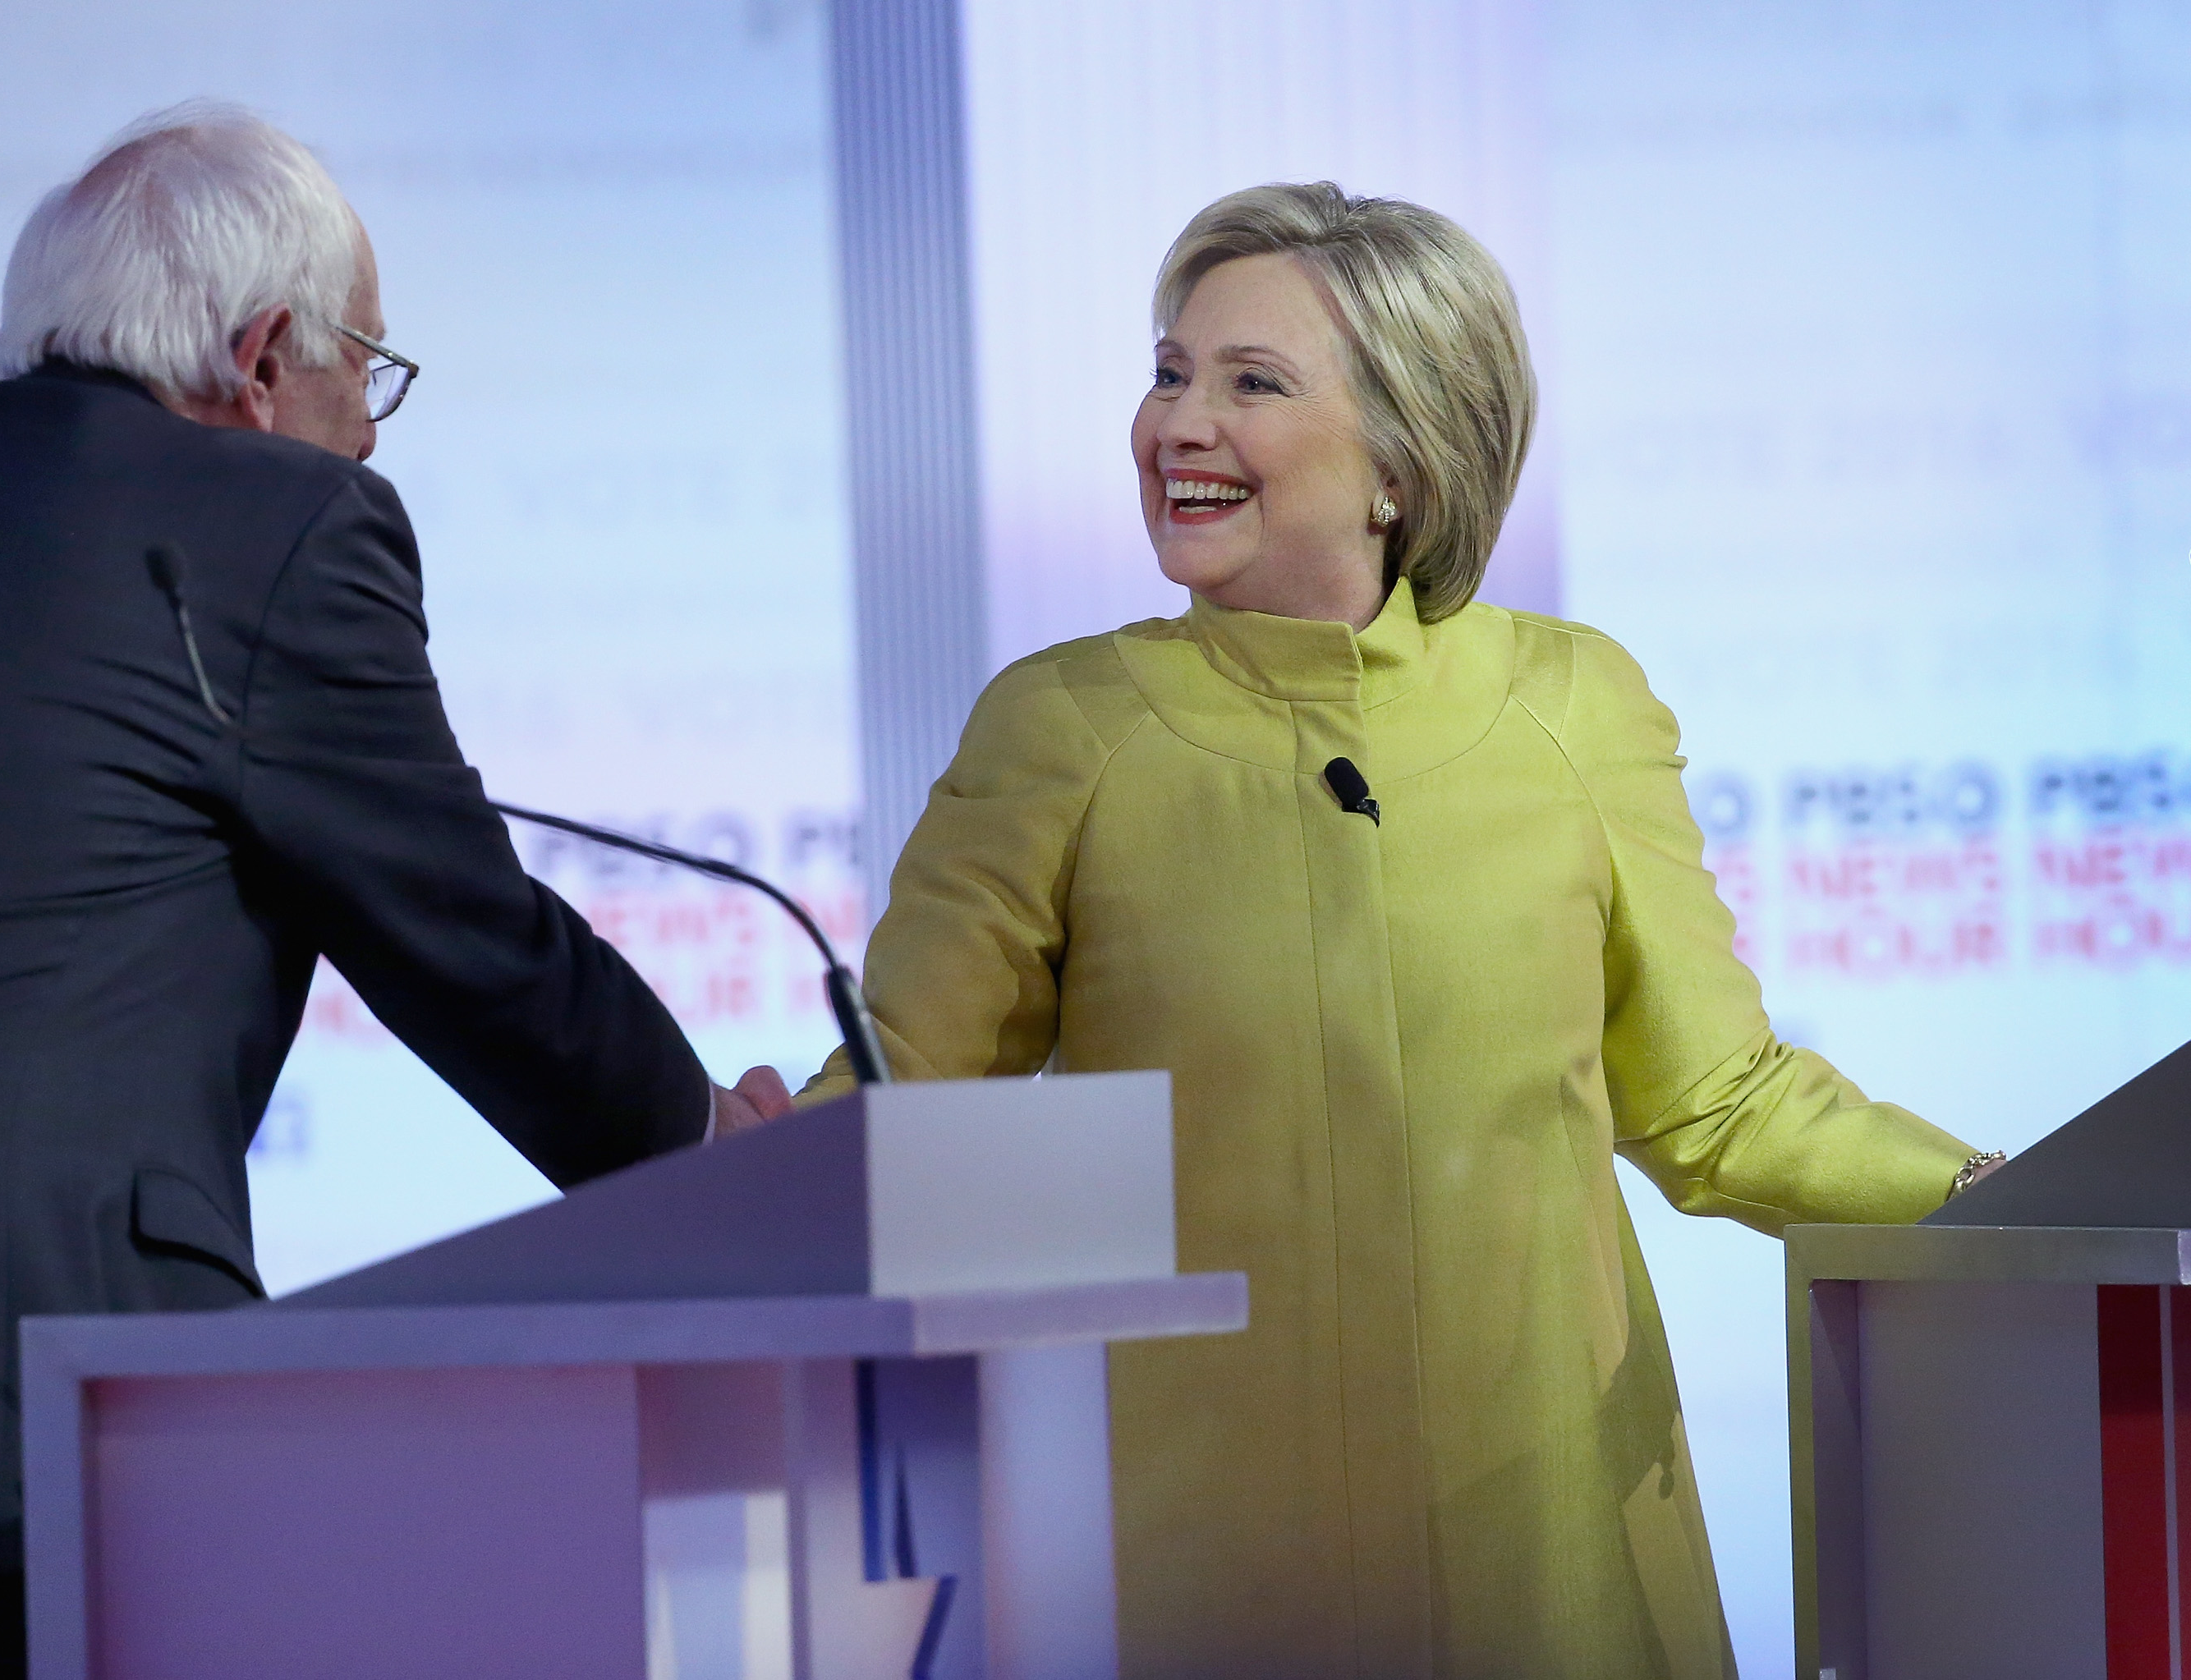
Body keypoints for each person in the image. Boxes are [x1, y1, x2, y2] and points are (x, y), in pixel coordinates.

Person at [801, 182, 2003, 1678]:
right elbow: (899, 1107)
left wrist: (2010, 1207)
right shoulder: (1063, 725)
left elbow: (1718, 1103)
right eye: (1170, 372)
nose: (1180, 422)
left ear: (1403, 457)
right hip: (1197, 1568)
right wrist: (705, 1189)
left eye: (1252, 383)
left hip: (1549, 1549)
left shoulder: (1571, 702)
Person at [0, 103, 790, 1678]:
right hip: (29, 1439)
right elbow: (467, 932)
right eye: (367, 368)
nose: (367, 429)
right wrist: (714, 1167)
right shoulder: (277, 522)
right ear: (266, 350)